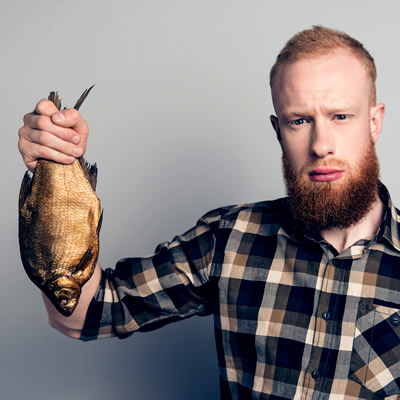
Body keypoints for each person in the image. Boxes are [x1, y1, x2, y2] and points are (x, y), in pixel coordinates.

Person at [18, 25, 400, 399]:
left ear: (374, 122)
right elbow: (87, 314)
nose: (321, 145)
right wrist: (50, 176)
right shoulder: (231, 237)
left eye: (341, 117)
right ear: (278, 130)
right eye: (299, 120)